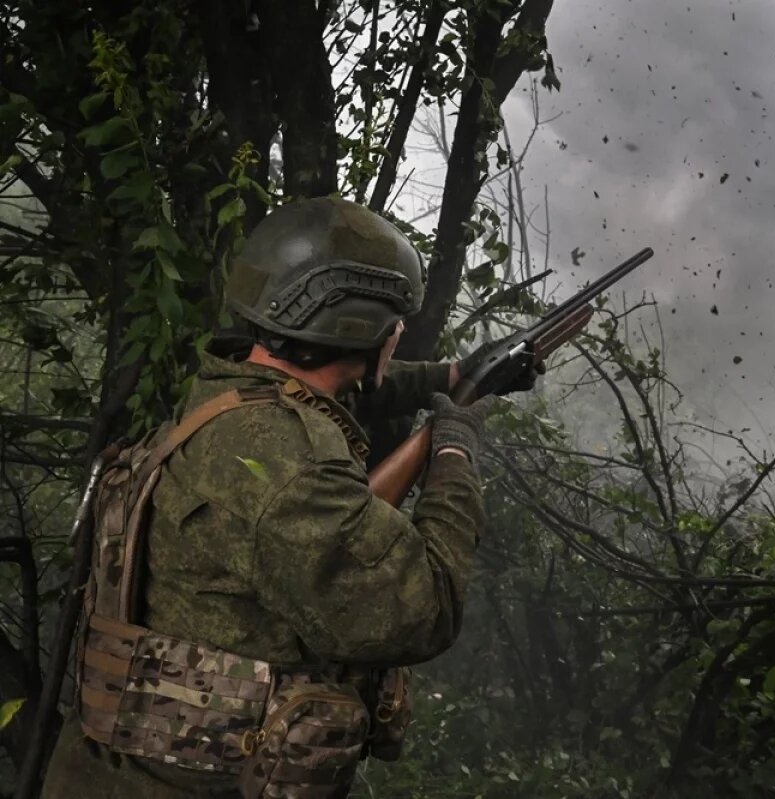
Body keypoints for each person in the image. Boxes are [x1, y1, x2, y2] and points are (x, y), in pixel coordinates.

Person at [42, 197, 530, 798]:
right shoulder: (292, 471)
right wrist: (455, 449)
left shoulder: (228, 395)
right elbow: (421, 611)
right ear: (357, 326)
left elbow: (341, 391)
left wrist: (454, 378)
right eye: (393, 321)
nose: (399, 332)